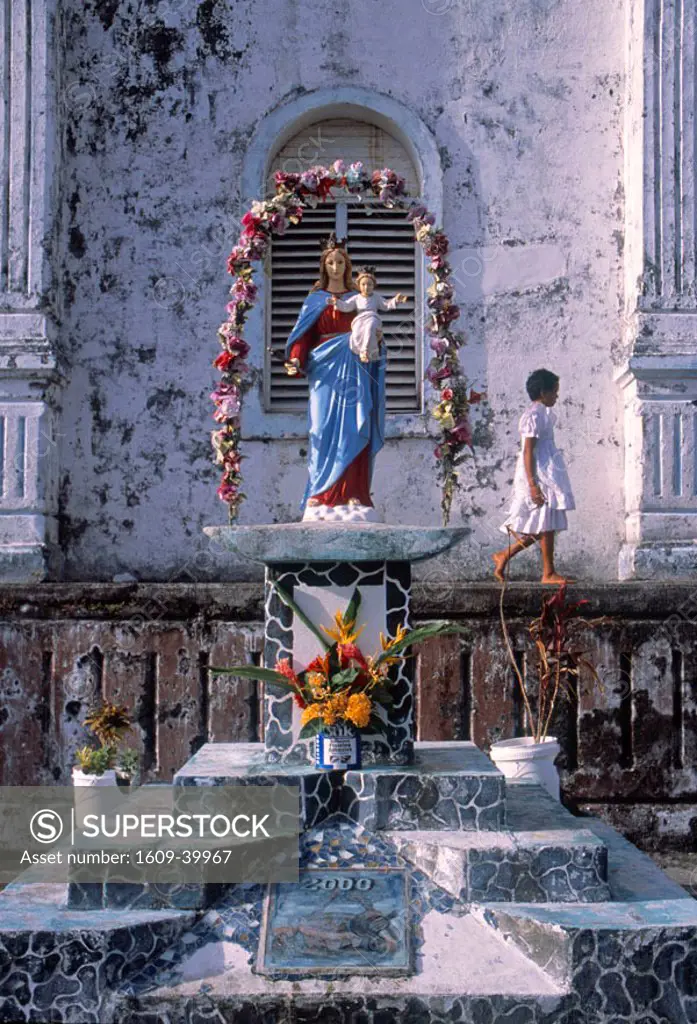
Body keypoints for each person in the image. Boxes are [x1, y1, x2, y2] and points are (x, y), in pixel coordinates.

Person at [283, 235, 386, 521]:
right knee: (322, 428)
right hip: (324, 373)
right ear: (324, 266)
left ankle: (354, 492)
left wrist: (377, 339)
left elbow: (372, 331)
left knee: (354, 425)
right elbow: (303, 337)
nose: (336, 266)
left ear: (348, 265)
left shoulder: (359, 299)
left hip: (355, 366)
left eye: (341, 261)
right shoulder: (315, 300)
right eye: (331, 262)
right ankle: (320, 494)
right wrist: (295, 359)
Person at [492, 368, 575, 584]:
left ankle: (507, 556)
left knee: (545, 522)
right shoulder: (533, 416)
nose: (557, 396)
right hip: (538, 473)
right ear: (543, 392)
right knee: (543, 521)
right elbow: (528, 451)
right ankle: (546, 572)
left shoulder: (543, 415)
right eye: (554, 391)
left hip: (548, 470)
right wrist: (532, 484)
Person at [328, 265, 407, 363]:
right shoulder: (357, 298)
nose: (366, 287)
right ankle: (362, 351)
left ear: (373, 285)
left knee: (370, 327)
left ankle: (365, 351)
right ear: (359, 286)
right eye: (363, 284)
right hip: (360, 320)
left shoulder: (376, 297)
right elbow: (346, 306)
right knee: (357, 332)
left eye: (369, 284)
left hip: (373, 318)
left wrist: (396, 300)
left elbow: (386, 305)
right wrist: (337, 302)